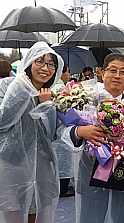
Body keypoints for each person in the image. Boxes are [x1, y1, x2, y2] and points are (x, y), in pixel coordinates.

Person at [62, 53, 124, 223]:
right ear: (102, 72)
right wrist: (80, 131)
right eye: (112, 70)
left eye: (123, 72)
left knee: (121, 217)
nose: (117, 76)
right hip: (90, 172)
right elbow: (62, 131)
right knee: (90, 217)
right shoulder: (85, 100)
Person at [0, 41, 64, 223]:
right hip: (12, 163)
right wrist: (21, 88)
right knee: (13, 211)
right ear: (29, 63)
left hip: (42, 166)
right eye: (40, 61)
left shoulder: (51, 94)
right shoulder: (8, 84)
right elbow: (3, 120)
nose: (45, 68)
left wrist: (46, 106)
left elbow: (52, 134)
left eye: (51, 64)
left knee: (36, 213)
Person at [51, 63, 75, 198]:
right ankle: (63, 188)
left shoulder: (47, 87)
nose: (69, 75)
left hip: (52, 134)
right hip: (63, 132)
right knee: (63, 160)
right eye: (67, 72)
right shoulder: (63, 90)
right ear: (60, 72)